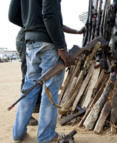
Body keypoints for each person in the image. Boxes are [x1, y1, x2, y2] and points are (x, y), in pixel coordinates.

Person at [8, 0, 83, 142]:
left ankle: (17, 133)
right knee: (50, 90)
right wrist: (61, 47)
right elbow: (49, 13)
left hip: (30, 42)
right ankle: (46, 135)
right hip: (48, 44)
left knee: (29, 87)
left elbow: (13, 15)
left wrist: (32, 28)